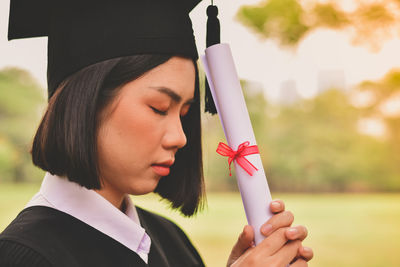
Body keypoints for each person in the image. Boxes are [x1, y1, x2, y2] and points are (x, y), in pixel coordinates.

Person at [0, 0, 313, 266]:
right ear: (88, 102)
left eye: (186, 113)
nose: (180, 137)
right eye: (159, 107)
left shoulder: (171, 241)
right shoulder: (24, 256)